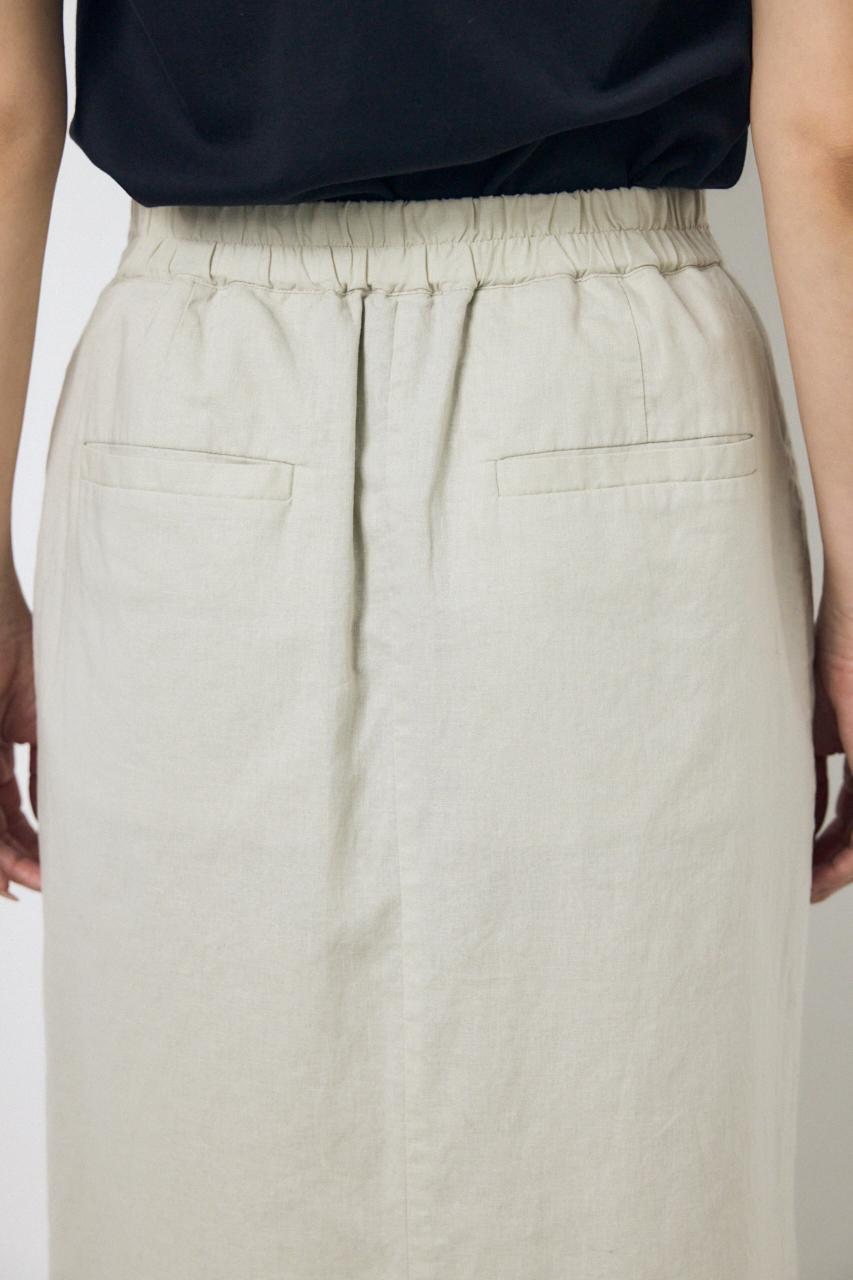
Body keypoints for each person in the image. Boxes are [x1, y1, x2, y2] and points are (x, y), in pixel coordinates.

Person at [1, 0, 852, 1276]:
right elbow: (827, 130)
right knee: (632, 1175)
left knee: (196, 1184)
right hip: (615, 404)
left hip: (195, 415)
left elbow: (5, 113)